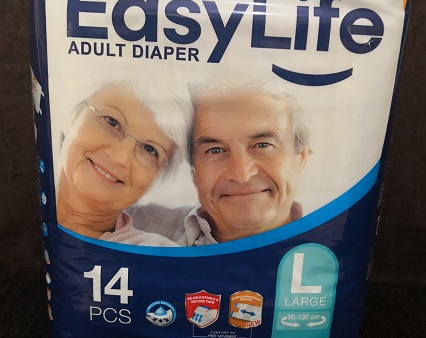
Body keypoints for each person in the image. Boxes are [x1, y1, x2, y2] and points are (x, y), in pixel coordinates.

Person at [56, 75, 192, 246]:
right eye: (112, 122)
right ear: (73, 117)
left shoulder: (152, 252)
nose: (120, 157)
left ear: (158, 177)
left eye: (149, 149)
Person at [178, 74, 310, 245]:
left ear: (301, 158)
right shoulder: (150, 235)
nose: (241, 175)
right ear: (194, 173)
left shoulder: (337, 246)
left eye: (263, 145)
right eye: (215, 150)